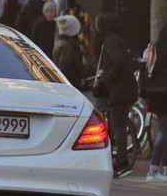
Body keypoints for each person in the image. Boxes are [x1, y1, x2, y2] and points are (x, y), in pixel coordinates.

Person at [94, 12, 138, 178]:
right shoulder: (116, 39)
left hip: (120, 89)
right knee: (118, 124)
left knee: (118, 127)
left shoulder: (111, 42)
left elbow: (118, 61)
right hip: (124, 88)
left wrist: (107, 79)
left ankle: (122, 162)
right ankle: (120, 160)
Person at [142, 23, 167, 182]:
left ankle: (164, 170)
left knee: (165, 130)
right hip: (165, 93)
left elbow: (145, 69)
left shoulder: (152, 48)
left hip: (155, 94)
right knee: (163, 132)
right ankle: (153, 170)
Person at [53, 15, 84, 89]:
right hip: (69, 87)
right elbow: (64, 69)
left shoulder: (61, 42)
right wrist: (79, 81)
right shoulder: (66, 46)